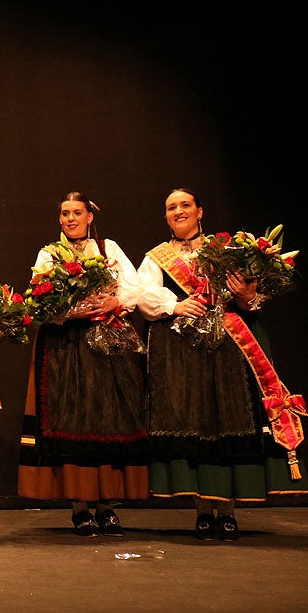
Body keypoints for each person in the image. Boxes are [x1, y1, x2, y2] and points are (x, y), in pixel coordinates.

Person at [136, 188, 308, 540]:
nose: (178, 211)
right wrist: (176, 306)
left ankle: (228, 510)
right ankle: (202, 510)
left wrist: (247, 295)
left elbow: (251, 300)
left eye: (185, 205)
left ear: (200, 211)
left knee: (226, 419)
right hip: (182, 351)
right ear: (166, 217)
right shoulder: (157, 257)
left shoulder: (228, 250)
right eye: (171, 207)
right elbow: (143, 295)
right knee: (194, 422)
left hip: (228, 349)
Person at [17, 192, 149, 537]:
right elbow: (39, 300)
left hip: (107, 345)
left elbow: (134, 287)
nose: (70, 219)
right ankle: (79, 506)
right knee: (71, 415)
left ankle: (108, 506)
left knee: (109, 416)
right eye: (65, 214)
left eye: (77, 213)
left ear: (90, 216)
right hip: (66, 347)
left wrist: (114, 300)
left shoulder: (108, 249)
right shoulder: (49, 254)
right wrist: (72, 310)